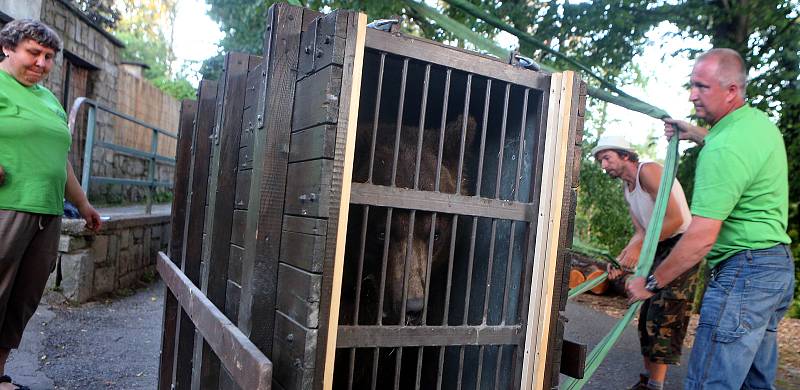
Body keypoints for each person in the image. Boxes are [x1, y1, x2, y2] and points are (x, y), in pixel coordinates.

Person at [627, 48, 794, 389]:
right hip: (776, 271)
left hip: (744, 275)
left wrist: (651, 282)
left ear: (731, 90)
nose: (692, 95)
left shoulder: (723, 150)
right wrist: (695, 133)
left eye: (702, 87)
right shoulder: (758, 125)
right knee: (754, 384)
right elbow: (736, 149)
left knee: (709, 383)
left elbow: (701, 237)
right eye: (691, 85)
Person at [0, 20, 102, 390]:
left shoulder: (48, 99)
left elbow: (60, 160)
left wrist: (84, 204)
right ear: (8, 47)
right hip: (6, 207)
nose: (42, 63)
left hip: (47, 213)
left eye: (49, 57)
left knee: (22, 299)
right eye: (34, 53)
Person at [592, 135, 698, 390]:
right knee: (646, 314)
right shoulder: (627, 188)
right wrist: (622, 259)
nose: (603, 165)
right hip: (656, 244)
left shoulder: (648, 171)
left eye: (606, 158)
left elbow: (674, 218)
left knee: (664, 314)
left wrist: (641, 248)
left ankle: (656, 386)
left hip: (678, 245)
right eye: (600, 160)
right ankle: (648, 381)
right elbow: (640, 231)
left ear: (625, 155)